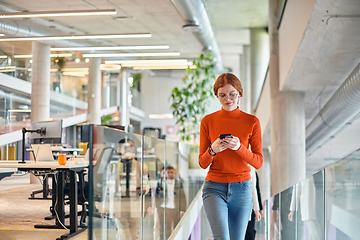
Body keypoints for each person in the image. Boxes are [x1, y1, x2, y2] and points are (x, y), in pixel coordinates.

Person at [199, 72, 263, 240]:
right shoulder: (208, 121)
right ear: (217, 96)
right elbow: (202, 163)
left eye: (232, 94)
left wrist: (239, 148)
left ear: (239, 93)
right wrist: (212, 150)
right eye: (222, 95)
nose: (228, 99)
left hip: (242, 188)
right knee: (222, 238)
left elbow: (258, 162)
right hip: (214, 187)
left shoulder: (252, 122)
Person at [148, 166, 187, 239]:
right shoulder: (160, 183)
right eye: (168, 172)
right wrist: (156, 207)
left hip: (175, 209)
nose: (169, 174)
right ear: (165, 173)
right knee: (165, 228)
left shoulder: (178, 183)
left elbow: (183, 197)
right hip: (164, 209)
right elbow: (155, 196)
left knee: (177, 227)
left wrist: (182, 210)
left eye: (171, 172)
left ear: (174, 173)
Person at [245, 169, 263, 240]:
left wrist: (258, 209)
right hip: (236, 206)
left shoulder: (253, 172)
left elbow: (256, 190)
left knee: (249, 231)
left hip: (250, 206)